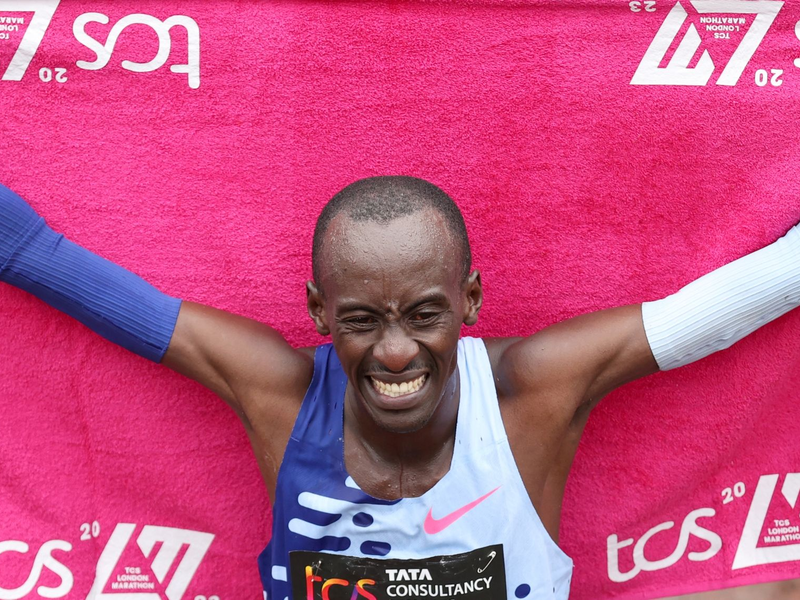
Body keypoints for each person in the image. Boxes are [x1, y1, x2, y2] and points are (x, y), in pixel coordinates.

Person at [2, 176, 799, 600]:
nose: (393, 353)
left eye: (424, 315)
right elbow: (43, 257)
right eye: (360, 321)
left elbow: (710, 316)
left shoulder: (530, 392)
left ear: (472, 303)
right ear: (317, 311)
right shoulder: (280, 392)